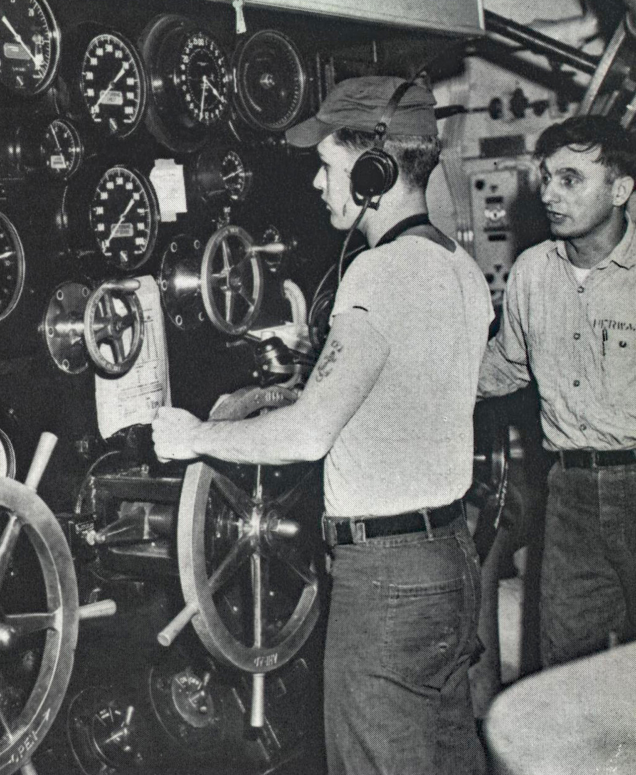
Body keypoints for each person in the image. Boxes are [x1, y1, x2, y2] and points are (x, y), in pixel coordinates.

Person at [152, 75, 492, 775]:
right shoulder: (460, 268)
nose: (316, 182)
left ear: (376, 170)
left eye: (329, 165)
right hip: (451, 560)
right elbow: (395, 400)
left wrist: (195, 436)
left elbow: (310, 435)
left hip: (388, 584)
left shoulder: (378, 273)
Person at [478, 115, 636, 668]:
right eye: (546, 177)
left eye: (570, 179)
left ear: (620, 190)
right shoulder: (531, 274)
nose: (548, 194)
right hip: (567, 490)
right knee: (565, 674)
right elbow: (503, 367)